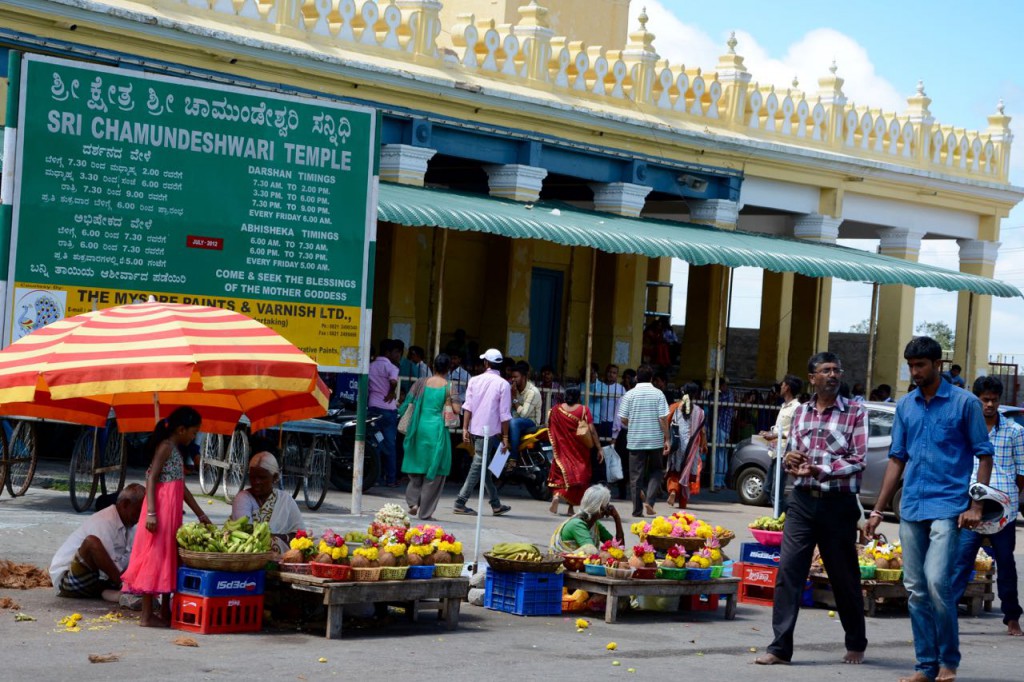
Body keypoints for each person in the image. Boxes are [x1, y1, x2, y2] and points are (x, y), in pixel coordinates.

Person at [865, 336, 994, 682]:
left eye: (920, 365)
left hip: (949, 506)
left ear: (938, 365)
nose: (915, 371)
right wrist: (877, 510)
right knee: (915, 588)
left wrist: (976, 504)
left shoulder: (965, 404)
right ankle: (925, 665)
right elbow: (896, 459)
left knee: (938, 583)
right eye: (910, 365)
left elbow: (984, 454)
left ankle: (948, 660)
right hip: (910, 507)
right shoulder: (906, 406)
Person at [755, 352, 868, 667]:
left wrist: (820, 469)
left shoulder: (855, 413)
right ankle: (779, 648)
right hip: (803, 502)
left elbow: (858, 459)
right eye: (826, 370)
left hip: (838, 505)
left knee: (843, 576)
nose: (833, 375)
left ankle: (856, 642)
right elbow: (793, 451)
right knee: (789, 572)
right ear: (812, 378)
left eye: (836, 369)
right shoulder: (802, 412)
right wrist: (792, 459)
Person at [121, 407, 210, 627]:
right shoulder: (166, 447)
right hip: (159, 510)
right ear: (181, 429)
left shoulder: (177, 450)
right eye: (193, 432)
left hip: (171, 512)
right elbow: (151, 479)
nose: (194, 436)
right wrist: (151, 512)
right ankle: (146, 615)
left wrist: (200, 513)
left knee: (169, 556)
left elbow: (182, 488)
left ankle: (164, 613)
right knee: (155, 556)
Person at [950, 375, 1024, 637]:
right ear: (976, 400)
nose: (989, 405)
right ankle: (947, 616)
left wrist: (1007, 497)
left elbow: (1022, 471)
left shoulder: (1015, 431)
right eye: (985, 400)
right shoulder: (965, 429)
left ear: (999, 401)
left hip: (1004, 509)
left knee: (1005, 563)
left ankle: (1012, 617)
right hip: (971, 506)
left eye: (994, 400)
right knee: (961, 560)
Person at [49, 483, 145, 601]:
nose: (141, 517)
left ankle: (114, 592)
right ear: (125, 504)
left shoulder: (130, 525)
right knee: (92, 542)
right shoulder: (105, 521)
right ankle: (122, 589)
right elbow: (109, 569)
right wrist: (124, 583)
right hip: (69, 579)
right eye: (139, 511)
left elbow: (129, 558)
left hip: (97, 580)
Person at [453, 348, 512, 516]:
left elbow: (468, 406)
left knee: (482, 467)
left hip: (476, 428)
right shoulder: (504, 384)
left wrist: (465, 428)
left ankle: (495, 504)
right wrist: (506, 436)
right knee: (479, 465)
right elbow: (505, 413)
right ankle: (460, 501)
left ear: (486, 363)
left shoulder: (474, 380)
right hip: (491, 431)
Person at [399, 353, 454, 521]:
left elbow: (407, 403)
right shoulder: (449, 387)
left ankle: (412, 502)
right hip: (436, 430)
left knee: (416, 467)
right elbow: (456, 410)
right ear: (448, 369)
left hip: (419, 428)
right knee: (434, 472)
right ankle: (425, 512)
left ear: (433, 366)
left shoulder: (421, 383)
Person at [617, 364, 670, 518]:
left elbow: (623, 419)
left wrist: (634, 423)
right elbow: (662, 418)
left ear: (636, 378)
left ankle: (637, 510)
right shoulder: (658, 394)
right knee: (656, 471)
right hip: (655, 440)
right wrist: (667, 438)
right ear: (651, 378)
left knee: (635, 476)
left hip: (635, 439)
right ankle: (650, 501)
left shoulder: (629, 395)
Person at [231, 452, 304, 554]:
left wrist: (276, 538)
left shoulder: (285, 499)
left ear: (274, 477)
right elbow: (247, 534)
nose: (256, 482)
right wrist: (282, 537)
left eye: (262, 477)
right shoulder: (243, 498)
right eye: (253, 477)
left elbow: (300, 535)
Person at [547, 386, 599, 516]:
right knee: (577, 479)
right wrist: (599, 448)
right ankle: (570, 508)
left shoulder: (555, 409)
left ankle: (557, 496)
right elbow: (591, 430)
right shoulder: (583, 410)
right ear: (578, 397)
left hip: (561, 451)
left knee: (561, 477)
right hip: (579, 452)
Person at [760, 375, 803, 511]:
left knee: (775, 491)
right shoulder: (784, 406)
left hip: (785, 453)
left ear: (788, 387)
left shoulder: (797, 407)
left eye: (783, 384)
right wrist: (770, 433)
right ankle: (786, 514)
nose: (781, 387)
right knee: (767, 488)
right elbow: (781, 428)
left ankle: (782, 518)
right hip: (775, 451)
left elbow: (794, 432)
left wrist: (775, 435)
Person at [550, 484, 624, 555]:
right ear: (599, 508)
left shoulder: (595, 524)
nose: (608, 508)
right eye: (606, 505)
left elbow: (619, 548)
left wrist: (616, 518)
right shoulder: (577, 524)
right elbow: (591, 552)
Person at [666, 382, 705, 509]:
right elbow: (702, 431)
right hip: (691, 449)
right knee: (686, 474)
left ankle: (672, 491)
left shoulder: (674, 407)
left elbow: (665, 424)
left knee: (674, 471)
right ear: (696, 395)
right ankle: (683, 503)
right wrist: (704, 445)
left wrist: (665, 441)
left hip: (677, 445)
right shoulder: (700, 412)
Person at [369, 338, 402, 488]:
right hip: (388, 411)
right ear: (388, 352)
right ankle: (390, 479)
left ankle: (374, 477)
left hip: (372, 409)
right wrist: (391, 392)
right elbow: (393, 381)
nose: (398, 355)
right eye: (396, 352)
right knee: (390, 445)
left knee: (375, 443)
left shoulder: (370, 366)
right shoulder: (391, 367)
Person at [508, 360, 542, 460]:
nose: (513, 380)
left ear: (524, 377)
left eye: (516, 377)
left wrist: (514, 398)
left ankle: (513, 458)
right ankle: (496, 469)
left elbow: (524, 415)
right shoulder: (513, 389)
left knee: (514, 423)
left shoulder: (532, 392)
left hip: (531, 422)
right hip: (514, 420)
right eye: (512, 377)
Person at [711, 376, 735, 490]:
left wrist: (717, 392)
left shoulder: (727, 395)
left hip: (722, 426)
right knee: (721, 454)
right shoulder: (725, 394)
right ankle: (719, 480)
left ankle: (718, 481)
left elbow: (716, 402)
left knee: (720, 454)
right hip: (722, 427)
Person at [599, 364, 626, 442]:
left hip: (613, 422)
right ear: (606, 373)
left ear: (617, 375)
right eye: (609, 372)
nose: (611, 374)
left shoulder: (620, 388)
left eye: (614, 373)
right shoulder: (600, 386)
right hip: (599, 421)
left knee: (610, 446)